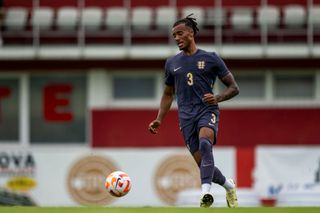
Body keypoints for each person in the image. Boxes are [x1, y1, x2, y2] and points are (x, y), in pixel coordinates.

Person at [148, 14, 240, 208]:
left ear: (191, 33)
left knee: (206, 144)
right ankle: (228, 186)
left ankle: (205, 193)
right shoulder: (171, 63)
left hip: (207, 110)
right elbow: (167, 94)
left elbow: (234, 88)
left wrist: (217, 98)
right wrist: (159, 119)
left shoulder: (211, 58)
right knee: (203, 164)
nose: (176, 38)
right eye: (174, 35)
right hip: (186, 117)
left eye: (180, 33)